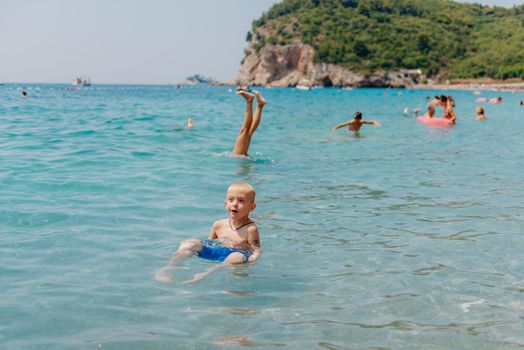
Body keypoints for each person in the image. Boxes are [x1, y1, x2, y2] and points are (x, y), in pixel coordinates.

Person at [155, 182, 261, 284]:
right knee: (189, 243)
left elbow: (255, 250)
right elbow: (209, 243)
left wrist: (249, 261)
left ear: (251, 207)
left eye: (241, 200)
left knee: (238, 256)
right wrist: (193, 248)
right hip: (215, 253)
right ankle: (170, 268)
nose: (235, 204)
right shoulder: (218, 224)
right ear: (225, 204)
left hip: (230, 258)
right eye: (231, 200)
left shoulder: (250, 229)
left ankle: (204, 274)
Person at [233, 88, 266, 156]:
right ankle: (250, 101)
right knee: (245, 131)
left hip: (244, 161)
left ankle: (260, 105)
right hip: (241, 160)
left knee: (248, 133)